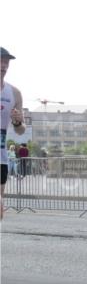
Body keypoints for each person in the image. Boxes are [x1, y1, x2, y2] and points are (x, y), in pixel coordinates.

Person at [1, 47, 27, 219]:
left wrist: (17, 121)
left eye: (6, 62)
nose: (3, 65)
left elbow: (20, 130)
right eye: (0, 61)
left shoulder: (14, 93)